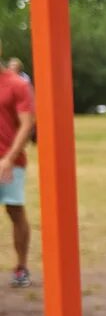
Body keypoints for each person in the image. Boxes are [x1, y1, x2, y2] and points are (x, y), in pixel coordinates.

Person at [0, 45, 35, 288]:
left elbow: (27, 124)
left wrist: (9, 159)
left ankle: (21, 266)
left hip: (10, 161)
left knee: (14, 210)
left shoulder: (17, 85)